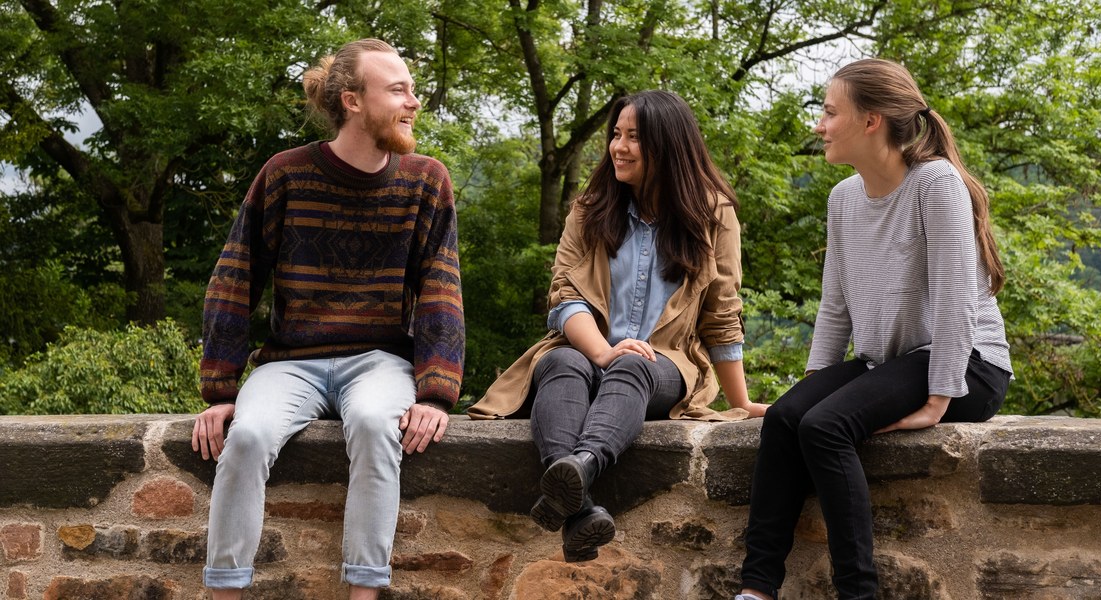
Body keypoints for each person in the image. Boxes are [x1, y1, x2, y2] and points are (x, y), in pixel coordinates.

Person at [190, 39, 464, 600]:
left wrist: (435, 393)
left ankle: (363, 592)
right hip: (292, 362)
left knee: (372, 425)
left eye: (412, 89)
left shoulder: (426, 180)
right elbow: (236, 276)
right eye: (398, 90)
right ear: (353, 100)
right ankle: (224, 590)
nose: (414, 101)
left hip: (381, 361)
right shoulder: (286, 175)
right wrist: (220, 389)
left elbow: (441, 285)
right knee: (247, 437)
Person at [735, 58, 1013, 600]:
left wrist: (938, 398)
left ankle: (858, 592)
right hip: (891, 362)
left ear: (872, 121)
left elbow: (957, 298)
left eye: (829, 111)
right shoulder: (843, 198)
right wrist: (812, 383)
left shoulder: (936, 183)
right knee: (789, 417)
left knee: (824, 427)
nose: (819, 124)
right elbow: (834, 305)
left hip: (968, 363)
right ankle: (757, 588)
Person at [469, 90, 769, 563]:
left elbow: (721, 313)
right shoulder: (590, 209)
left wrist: (741, 401)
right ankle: (580, 509)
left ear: (667, 146)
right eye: (615, 134)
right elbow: (565, 298)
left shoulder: (714, 214)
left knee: (633, 362)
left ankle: (582, 467)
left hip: (666, 363)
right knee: (562, 360)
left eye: (634, 137)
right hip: (586, 350)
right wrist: (602, 351)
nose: (618, 147)